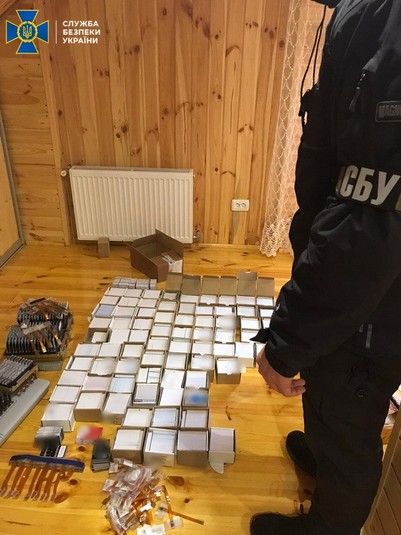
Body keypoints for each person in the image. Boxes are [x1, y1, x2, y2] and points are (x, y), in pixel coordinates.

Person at [250, 0, 401, 533]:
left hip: (373, 303)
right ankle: (322, 451)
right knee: (331, 395)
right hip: (364, 287)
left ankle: (329, 523)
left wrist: (286, 344)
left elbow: (368, 227)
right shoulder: (367, 12)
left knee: (350, 424)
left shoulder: (388, 19)